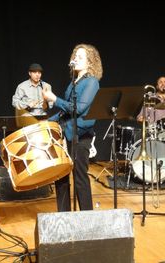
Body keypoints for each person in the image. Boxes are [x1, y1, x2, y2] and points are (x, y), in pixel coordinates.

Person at [42, 44, 102, 211]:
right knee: (60, 177)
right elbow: (65, 111)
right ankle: (64, 217)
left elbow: (78, 109)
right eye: (75, 56)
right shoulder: (74, 83)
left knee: (80, 178)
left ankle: (87, 218)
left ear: (90, 62)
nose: (75, 59)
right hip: (65, 134)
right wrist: (48, 122)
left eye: (80, 57)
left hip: (80, 136)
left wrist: (54, 98)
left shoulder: (92, 82)